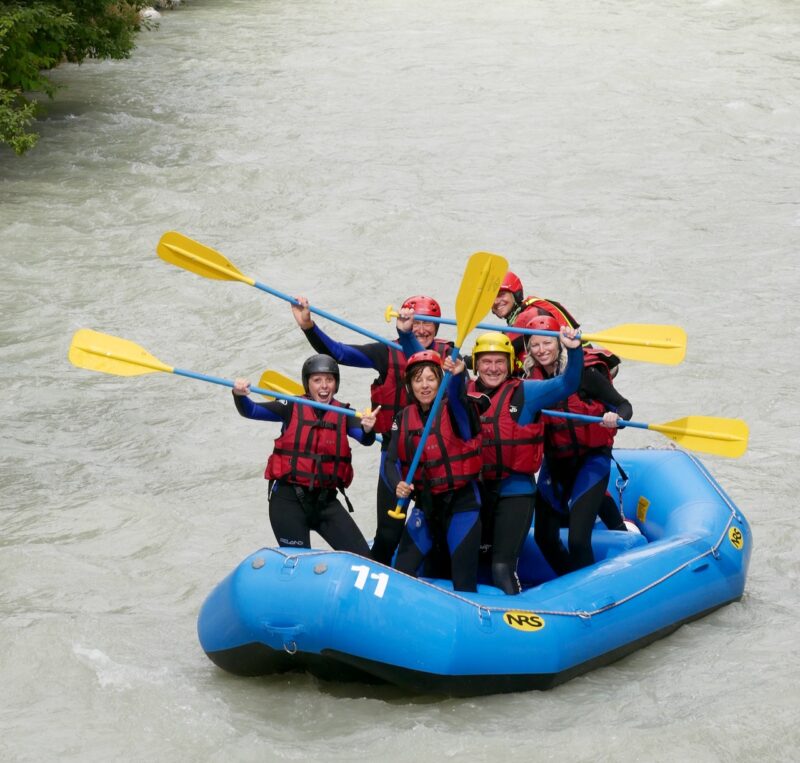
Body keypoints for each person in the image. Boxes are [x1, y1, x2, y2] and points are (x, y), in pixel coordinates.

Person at [291, 294, 453, 565]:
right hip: (396, 454)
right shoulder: (385, 353)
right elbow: (339, 353)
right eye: (416, 322)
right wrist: (309, 326)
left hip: (438, 456)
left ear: (437, 327)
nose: (421, 328)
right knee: (388, 533)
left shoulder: (449, 357)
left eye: (428, 323)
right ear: (405, 323)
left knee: (440, 528)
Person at [461, 329, 584, 594]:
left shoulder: (526, 392)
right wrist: (407, 335)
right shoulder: (462, 393)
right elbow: (421, 376)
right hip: (476, 493)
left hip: (515, 494)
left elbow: (568, 384)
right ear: (475, 364)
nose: (493, 368)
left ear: (510, 364)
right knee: (468, 563)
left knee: (501, 567)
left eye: (499, 361)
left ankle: (517, 616)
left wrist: (574, 350)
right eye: (486, 361)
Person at [232, 354, 377, 555]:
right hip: (288, 501)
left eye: (329, 380)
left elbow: (365, 438)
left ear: (336, 384)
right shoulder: (290, 406)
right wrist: (239, 395)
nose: (324, 386)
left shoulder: (345, 413)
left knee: (365, 558)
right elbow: (252, 410)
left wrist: (369, 428)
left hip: (325, 502)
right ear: (307, 384)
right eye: (317, 380)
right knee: (299, 562)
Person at [524, 315, 633, 574]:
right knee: (544, 538)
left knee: (577, 539)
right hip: (555, 464)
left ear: (560, 344)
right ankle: (570, 582)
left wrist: (616, 418)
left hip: (590, 460)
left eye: (547, 343)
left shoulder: (587, 374)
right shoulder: (530, 382)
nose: (541, 351)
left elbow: (624, 405)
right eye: (535, 345)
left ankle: (590, 597)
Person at [384, 348, 484, 592]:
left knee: (463, 582)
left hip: (462, 505)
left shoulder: (454, 410)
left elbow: (458, 397)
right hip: (426, 506)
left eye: (431, 378)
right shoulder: (403, 417)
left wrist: (458, 375)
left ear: (441, 381)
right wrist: (398, 483)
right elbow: (390, 462)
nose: (425, 386)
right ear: (410, 386)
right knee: (402, 573)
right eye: (418, 380)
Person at [491, 271, 580, 365]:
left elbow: (504, 350)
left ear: (515, 295)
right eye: (491, 298)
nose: (496, 301)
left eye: (501, 295)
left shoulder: (531, 313)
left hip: (575, 369)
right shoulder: (523, 313)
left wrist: (476, 360)